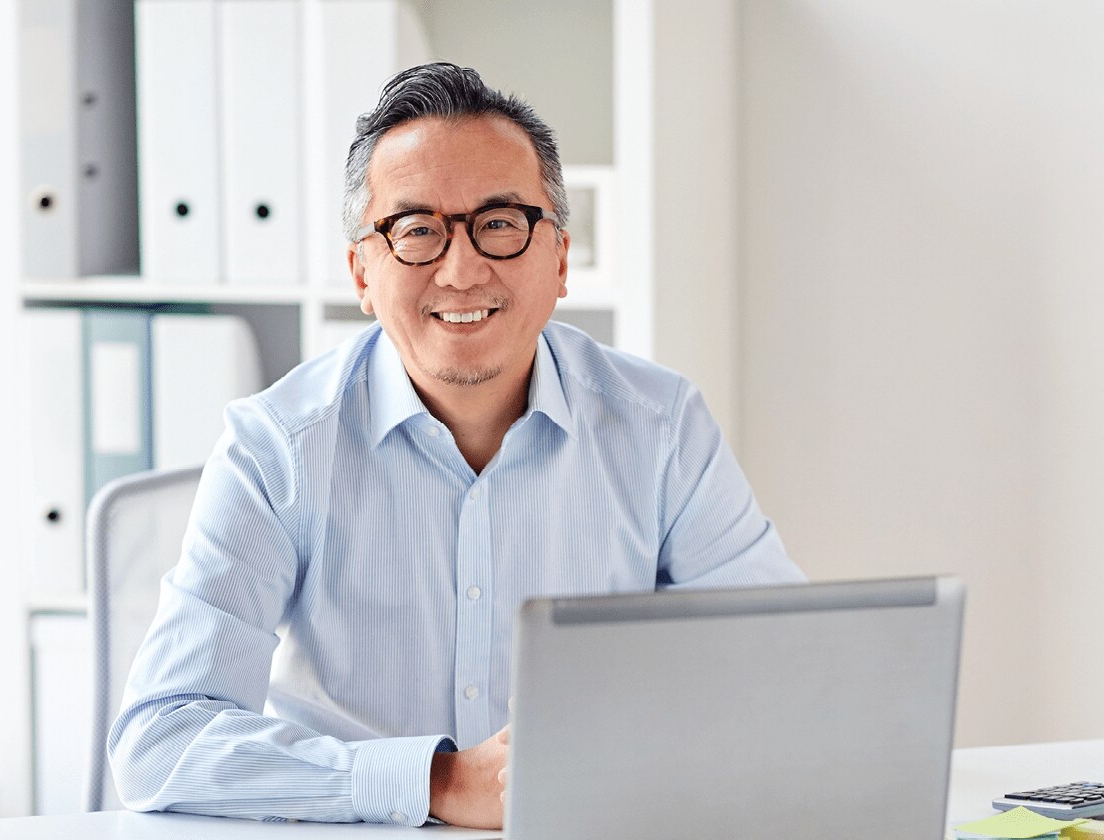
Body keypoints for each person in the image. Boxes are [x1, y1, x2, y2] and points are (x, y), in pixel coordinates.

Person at [108, 62, 804, 830]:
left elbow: (777, 677)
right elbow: (160, 738)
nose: (462, 268)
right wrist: (434, 783)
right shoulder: (276, 448)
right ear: (362, 275)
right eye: (416, 231)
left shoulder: (662, 428)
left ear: (562, 261)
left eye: (501, 223)